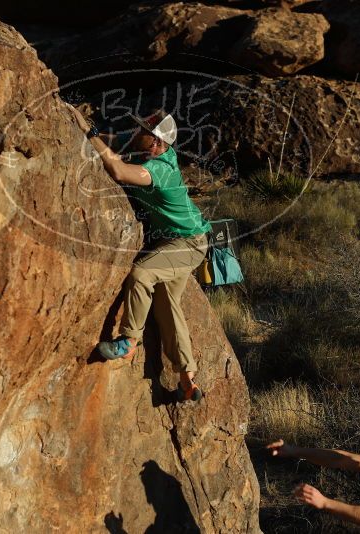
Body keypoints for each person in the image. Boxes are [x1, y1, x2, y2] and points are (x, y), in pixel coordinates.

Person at [66, 103, 211, 402]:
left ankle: (128, 340)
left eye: (142, 131)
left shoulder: (160, 169)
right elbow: (109, 138)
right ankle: (188, 379)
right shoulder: (147, 149)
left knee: (143, 272)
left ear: (155, 141)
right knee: (167, 304)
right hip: (173, 242)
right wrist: (82, 123)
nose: (136, 133)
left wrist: (90, 133)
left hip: (189, 243)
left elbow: (118, 170)